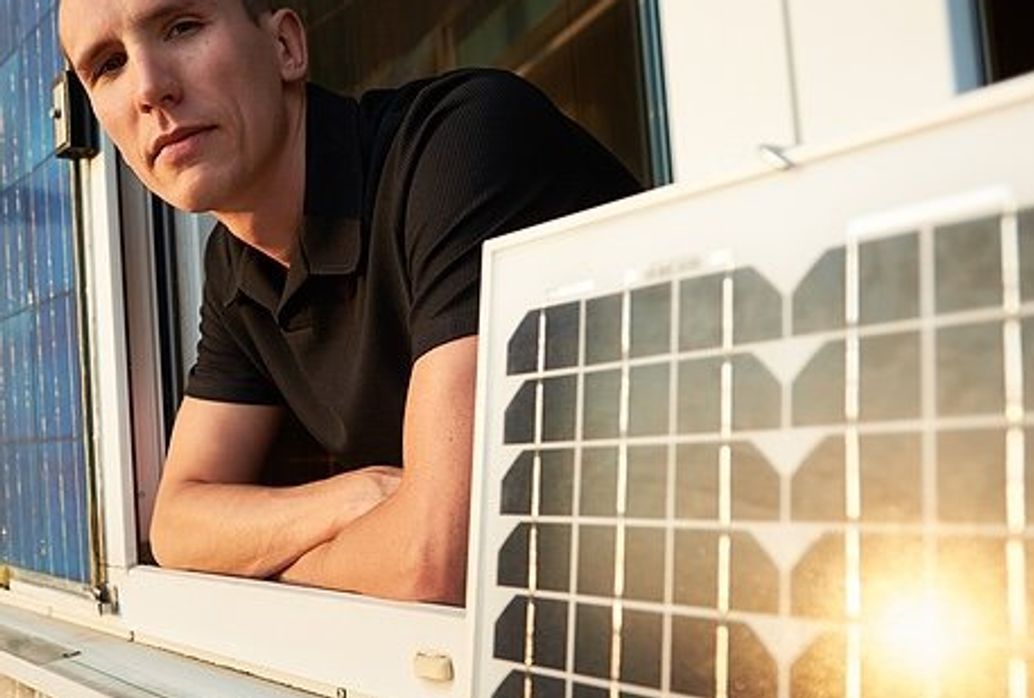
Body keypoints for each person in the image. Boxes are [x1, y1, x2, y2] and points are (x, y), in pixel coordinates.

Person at [58, 0, 639, 603]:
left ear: (286, 47)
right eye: (108, 65)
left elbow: (440, 559)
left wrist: (277, 565)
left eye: (181, 27)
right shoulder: (236, 266)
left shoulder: (462, 141)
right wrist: (356, 499)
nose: (150, 88)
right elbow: (178, 523)